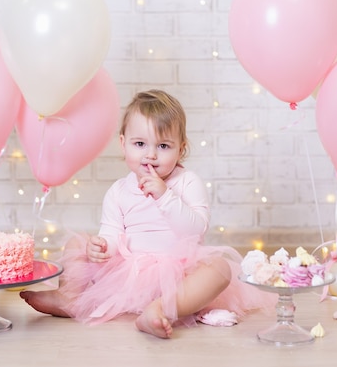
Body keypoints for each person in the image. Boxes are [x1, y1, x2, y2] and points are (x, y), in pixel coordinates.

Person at [20, 89, 273, 338]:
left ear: (180, 149)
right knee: (78, 243)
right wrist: (101, 246)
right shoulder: (119, 191)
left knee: (219, 269)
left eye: (163, 146)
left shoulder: (187, 182)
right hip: (129, 274)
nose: (150, 155)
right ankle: (69, 298)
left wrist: (165, 196)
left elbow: (196, 229)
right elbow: (112, 232)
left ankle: (159, 310)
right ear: (123, 144)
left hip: (178, 276)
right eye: (140, 144)